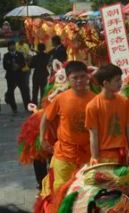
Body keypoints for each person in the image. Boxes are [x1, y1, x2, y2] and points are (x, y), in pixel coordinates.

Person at [39, 61, 95, 193]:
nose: (79, 80)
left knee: (86, 193)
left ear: (88, 76)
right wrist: (42, 139)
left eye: (82, 76)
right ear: (68, 79)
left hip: (88, 156)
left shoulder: (96, 99)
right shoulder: (61, 98)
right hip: (64, 154)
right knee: (60, 192)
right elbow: (45, 118)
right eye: (75, 78)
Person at [86, 64, 129, 166]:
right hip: (104, 157)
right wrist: (95, 158)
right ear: (106, 83)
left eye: (120, 79)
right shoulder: (93, 106)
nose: (120, 82)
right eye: (117, 80)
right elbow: (93, 135)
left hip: (122, 153)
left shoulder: (124, 101)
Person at [3, 41, 30, 113]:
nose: (13, 47)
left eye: (13, 45)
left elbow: (24, 64)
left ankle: (27, 106)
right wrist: (12, 67)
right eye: (11, 46)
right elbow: (5, 66)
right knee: (11, 92)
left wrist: (18, 66)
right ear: (8, 47)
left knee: (25, 91)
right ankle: (14, 108)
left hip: (20, 76)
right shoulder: (6, 55)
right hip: (10, 76)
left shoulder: (20, 54)